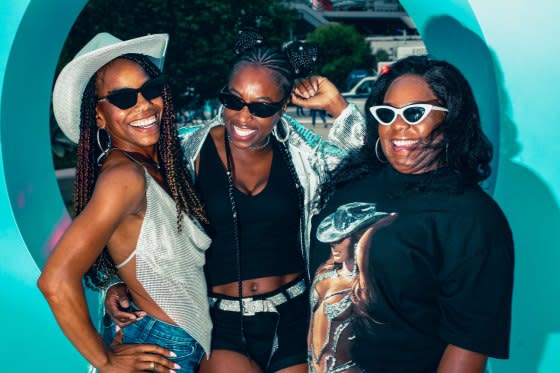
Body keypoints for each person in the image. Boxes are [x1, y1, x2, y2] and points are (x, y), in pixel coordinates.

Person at [105, 31, 367, 373]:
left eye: (261, 108)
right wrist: (114, 278)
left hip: (295, 316)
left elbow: (372, 164)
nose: (243, 118)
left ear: (283, 107)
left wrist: (338, 107)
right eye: (233, 101)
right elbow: (123, 212)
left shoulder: (306, 157)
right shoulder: (185, 153)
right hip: (219, 321)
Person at [310, 55, 514, 373]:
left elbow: (470, 343)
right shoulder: (351, 183)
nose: (398, 126)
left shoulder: (471, 216)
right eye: (387, 114)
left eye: (415, 113)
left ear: (452, 119)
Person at [38, 33, 212, 373]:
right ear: (99, 117)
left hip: (172, 341)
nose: (144, 105)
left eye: (150, 89)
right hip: (160, 348)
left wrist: (117, 283)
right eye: (123, 98)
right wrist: (105, 360)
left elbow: (141, 246)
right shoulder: (123, 178)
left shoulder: (154, 167)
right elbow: (55, 280)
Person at [309, 202, 396, 373]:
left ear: (358, 237)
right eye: (332, 238)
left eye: (341, 238)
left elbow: (363, 255)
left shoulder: (360, 285)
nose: (333, 244)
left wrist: (371, 230)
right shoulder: (323, 274)